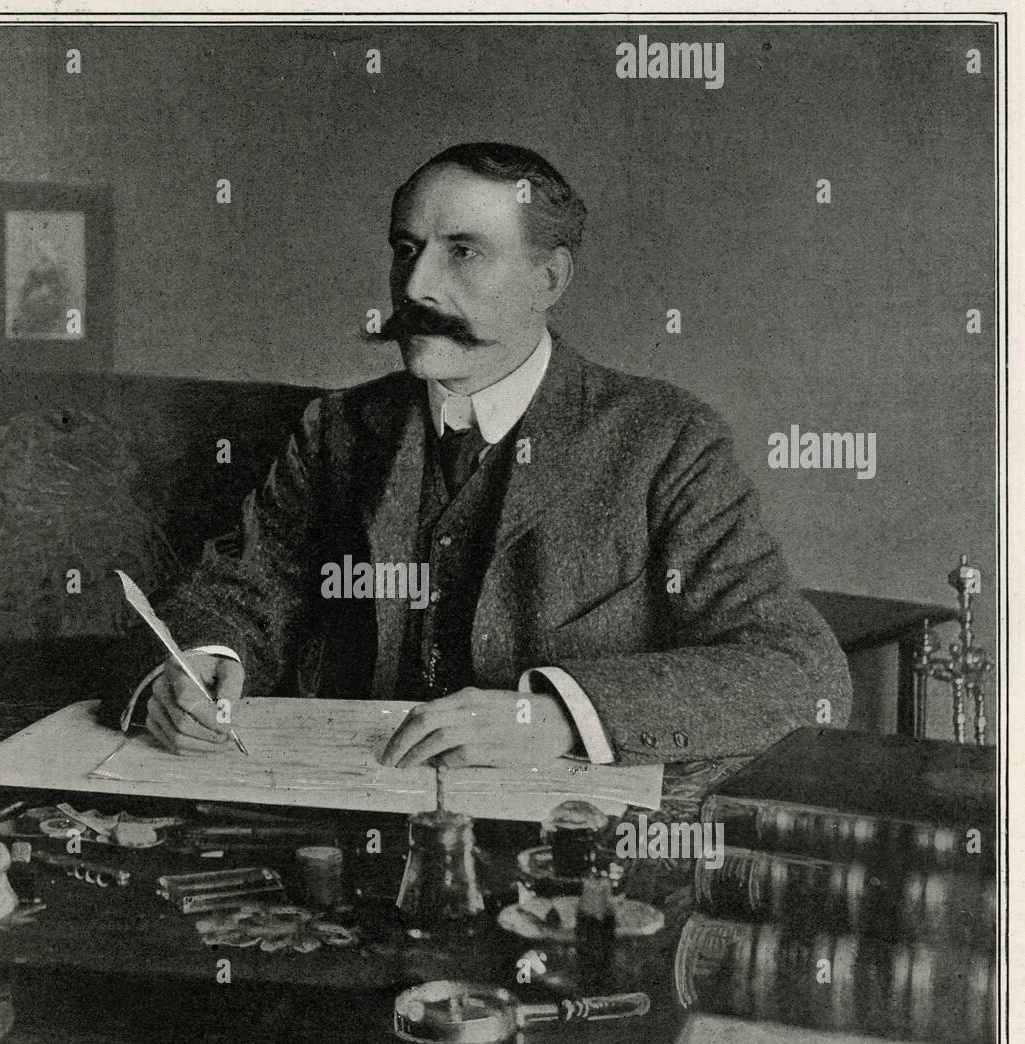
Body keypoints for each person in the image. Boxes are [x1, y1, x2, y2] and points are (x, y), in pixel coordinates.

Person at [99, 141, 850, 768]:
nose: (417, 285)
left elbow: (796, 668)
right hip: (340, 824)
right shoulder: (337, 429)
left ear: (547, 279)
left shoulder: (664, 440)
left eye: (463, 252)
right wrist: (199, 659)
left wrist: (557, 715)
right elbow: (244, 589)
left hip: (559, 859)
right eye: (407, 249)